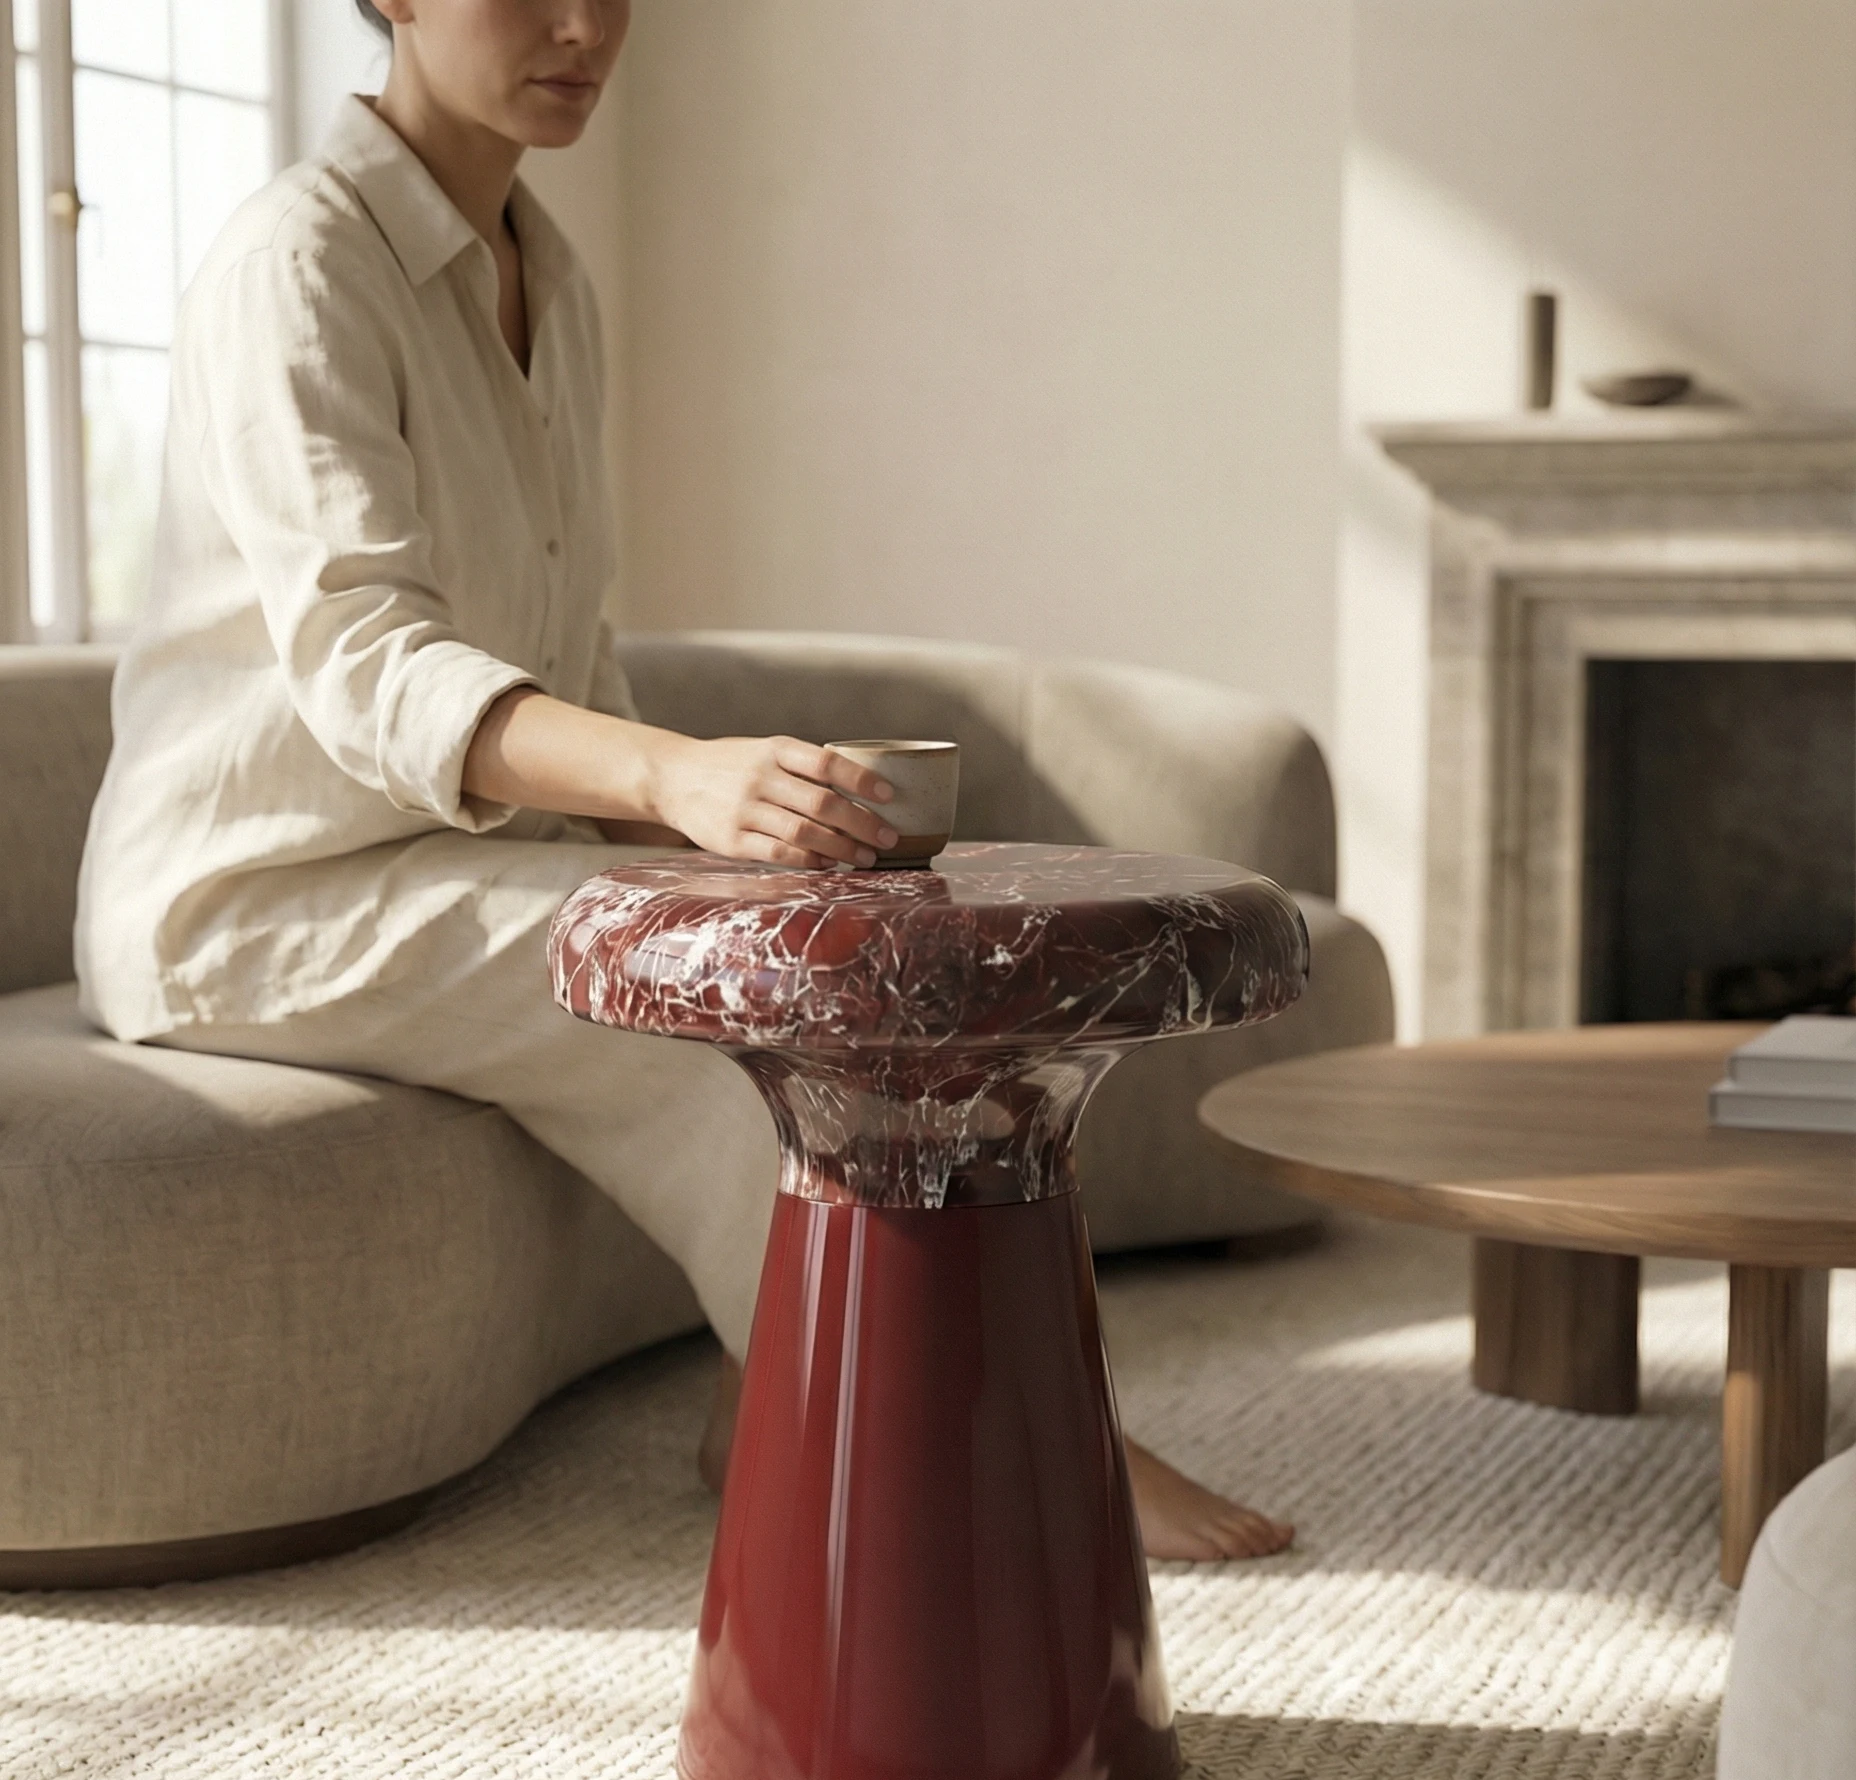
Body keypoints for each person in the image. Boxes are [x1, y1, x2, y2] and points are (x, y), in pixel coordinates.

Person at [75, 0, 1293, 1566]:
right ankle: (1008, 1436)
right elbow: (369, 660)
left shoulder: (554, 279)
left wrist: (752, 843)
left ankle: (782, 1403)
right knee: (745, 1008)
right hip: (250, 899)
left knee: (835, 957)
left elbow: (567, 654)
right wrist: (682, 779)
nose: (584, 25)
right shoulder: (296, 265)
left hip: (436, 864)